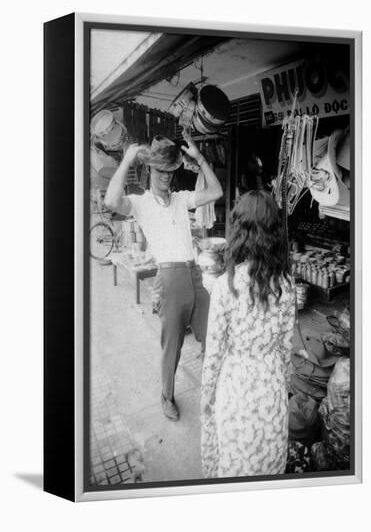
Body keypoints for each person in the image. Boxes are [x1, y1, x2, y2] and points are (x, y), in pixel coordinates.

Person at [105, 134, 223, 422]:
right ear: (149, 171)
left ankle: (214, 390)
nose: (165, 178)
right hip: (169, 279)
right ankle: (166, 396)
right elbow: (111, 200)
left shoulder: (182, 199)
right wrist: (127, 160)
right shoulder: (140, 203)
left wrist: (200, 159)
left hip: (194, 274)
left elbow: (216, 192)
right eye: (160, 171)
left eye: (170, 172)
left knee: (214, 335)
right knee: (172, 346)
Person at [201, 190, 296, 478]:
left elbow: (214, 355)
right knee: (268, 459)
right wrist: (280, 381)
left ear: (239, 230)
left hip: (236, 389)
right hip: (271, 386)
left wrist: (207, 398)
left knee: (236, 463)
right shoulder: (287, 285)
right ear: (273, 233)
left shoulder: (224, 287)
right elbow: (285, 349)